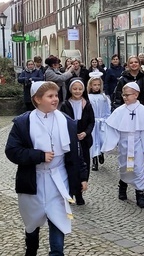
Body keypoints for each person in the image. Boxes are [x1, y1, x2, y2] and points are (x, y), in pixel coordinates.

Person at [5, 81, 88, 255]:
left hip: (59, 178)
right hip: (32, 180)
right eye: (50, 96)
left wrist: (82, 176)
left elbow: (75, 154)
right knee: (32, 223)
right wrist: (39, 156)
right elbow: (12, 151)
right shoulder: (23, 122)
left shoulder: (67, 122)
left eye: (56, 95)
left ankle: (56, 252)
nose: (55, 99)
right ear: (37, 99)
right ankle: (31, 249)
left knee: (58, 220)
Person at [102, 82, 144, 208]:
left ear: (136, 95)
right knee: (125, 166)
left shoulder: (143, 111)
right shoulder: (119, 111)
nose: (124, 97)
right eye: (123, 95)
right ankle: (123, 184)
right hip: (124, 145)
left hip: (137, 145)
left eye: (127, 95)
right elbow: (113, 128)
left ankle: (140, 193)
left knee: (138, 168)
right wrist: (110, 144)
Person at [60, 78, 95, 205]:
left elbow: (92, 122)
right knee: (70, 165)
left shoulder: (87, 104)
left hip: (84, 139)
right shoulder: (65, 105)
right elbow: (62, 122)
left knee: (84, 165)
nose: (77, 91)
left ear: (84, 90)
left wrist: (85, 133)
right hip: (70, 139)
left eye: (80, 89)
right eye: (74, 89)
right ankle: (70, 192)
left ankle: (80, 193)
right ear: (70, 90)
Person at [87, 72, 111, 171]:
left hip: (102, 122)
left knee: (101, 139)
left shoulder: (104, 97)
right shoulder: (88, 98)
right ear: (90, 85)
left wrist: (107, 120)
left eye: (98, 85)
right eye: (94, 85)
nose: (96, 87)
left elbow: (107, 110)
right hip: (93, 122)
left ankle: (101, 152)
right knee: (93, 141)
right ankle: (94, 160)